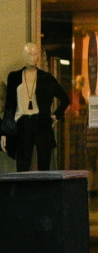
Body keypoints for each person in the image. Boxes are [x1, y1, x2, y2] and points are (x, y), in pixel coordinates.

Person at [1, 43, 70, 171]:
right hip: (22, 123)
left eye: (35, 54)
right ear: (24, 55)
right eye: (29, 54)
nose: (32, 57)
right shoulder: (14, 77)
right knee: (22, 166)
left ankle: (43, 185)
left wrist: (55, 116)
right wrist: (5, 132)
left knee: (44, 166)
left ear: (39, 56)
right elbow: (9, 106)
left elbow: (65, 99)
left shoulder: (46, 78)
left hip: (41, 122)